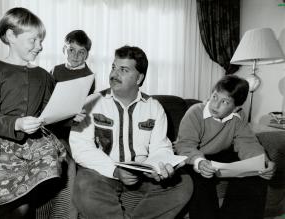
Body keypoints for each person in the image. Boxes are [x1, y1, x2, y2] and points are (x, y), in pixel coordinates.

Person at [0, 7, 72, 218]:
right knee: (18, 207)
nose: (39, 46)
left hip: (33, 146)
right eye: (33, 40)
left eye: (41, 41)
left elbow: (47, 113)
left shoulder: (43, 76)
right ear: (10, 36)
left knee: (58, 166)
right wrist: (17, 123)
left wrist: (68, 114)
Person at [69, 45, 193, 219]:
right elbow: (80, 147)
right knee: (83, 184)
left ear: (139, 78)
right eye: (113, 67)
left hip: (143, 175)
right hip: (103, 173)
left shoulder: (154, 107)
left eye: (123, 70)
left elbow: (161, 147)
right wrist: (115, 171)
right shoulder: (91, 103)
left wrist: (158, 167)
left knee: (183, 183)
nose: (114, 74)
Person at [174, 75, 276, 219]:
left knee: (255, 172)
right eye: (215, 97)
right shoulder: (195, 112)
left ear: (236, 108)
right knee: (201, 180)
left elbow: (248, 143)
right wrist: (200, 162)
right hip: (192, 157)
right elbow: (184, 145)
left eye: (224, 102)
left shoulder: (238, 116)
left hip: (218, 155)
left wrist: (263, 163)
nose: (215, 105)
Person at [52, 29, 95, 94]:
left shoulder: (89, 77)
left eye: (81, 52)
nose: (76, 56)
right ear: (64, 50)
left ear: (86, 55)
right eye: (71, 50)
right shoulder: (55, 70)